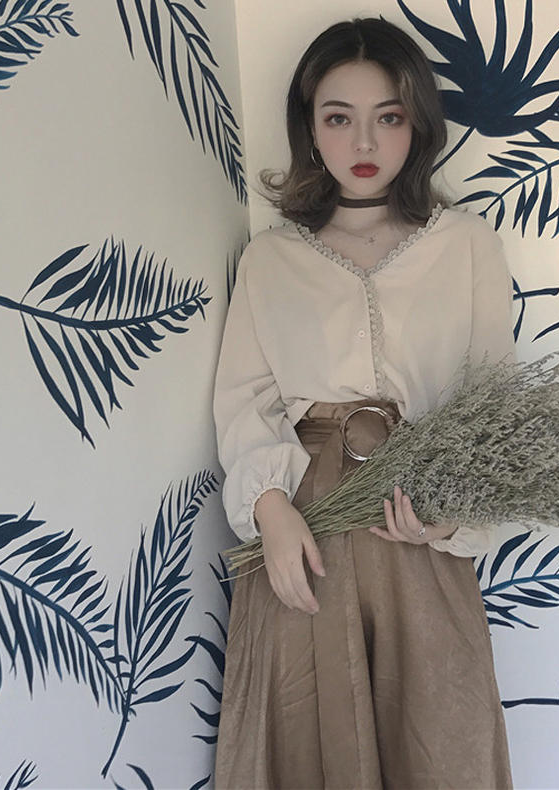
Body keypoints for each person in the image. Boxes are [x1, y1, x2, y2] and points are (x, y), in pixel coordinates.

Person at [213, 17, 515, 790]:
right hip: (306, 520)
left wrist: (451, 514)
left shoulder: (467, 244)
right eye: (338, 117)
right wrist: (271, 512)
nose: (365, 142)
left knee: (439, 738)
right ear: (309, 128)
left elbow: (493, 400)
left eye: (389, 116)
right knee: (307, 736)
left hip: (418, 512)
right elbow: (245, 401)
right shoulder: (270, 258)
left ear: (418, 124)